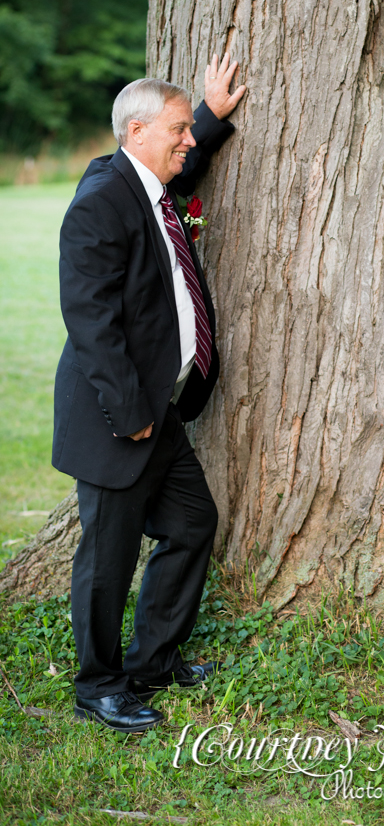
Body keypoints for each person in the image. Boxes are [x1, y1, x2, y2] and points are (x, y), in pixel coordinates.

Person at [52, 53, 246, 733]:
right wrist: (131, 412)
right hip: (116, 414)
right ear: (136, 132)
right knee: (107, 560)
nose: (184, 140)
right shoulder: (103, 197)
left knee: (192, 524)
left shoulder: (149, 180)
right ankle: (99, 687)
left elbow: (184, 166)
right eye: (176, 128)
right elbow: (89, 316)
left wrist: (212, 116)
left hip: (157, 411)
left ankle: (152, 662)